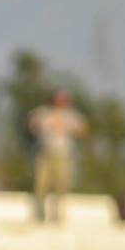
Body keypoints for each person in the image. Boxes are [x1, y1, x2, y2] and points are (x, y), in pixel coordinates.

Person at [28, 90, 87, 224]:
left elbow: (83, 130)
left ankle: (57, 213)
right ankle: (39, 213)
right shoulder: (43, 112)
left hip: (64, 154)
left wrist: (67, 126)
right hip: (44, 152)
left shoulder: (72, 115)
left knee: (62, 183)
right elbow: (31, 125)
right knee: (41, 183)